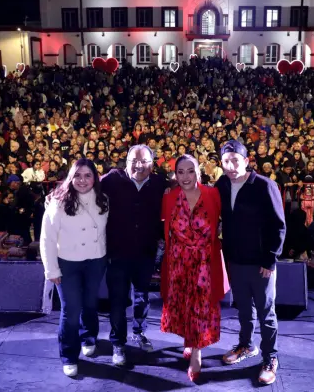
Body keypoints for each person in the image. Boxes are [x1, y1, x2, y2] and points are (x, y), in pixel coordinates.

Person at [215, 140, 286, 385]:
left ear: (246, 161)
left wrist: (270, 259)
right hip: (235, 260)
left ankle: (270, 357)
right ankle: (246, 345)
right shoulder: (222, 184)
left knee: (267, 313)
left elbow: (279, 226)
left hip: (261, 263)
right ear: (221, 163)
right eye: (226, 161)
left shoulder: (264, 185)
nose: (231, 165)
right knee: (244, 310)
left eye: (236, 160)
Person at [160, 154, 229, 381]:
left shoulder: (213, 194)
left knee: (200, 307)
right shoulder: (169, 198)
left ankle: (196, 353)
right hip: (178, 262)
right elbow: (166, 232)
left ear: (198, 172)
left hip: (204, 263)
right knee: (184, 306)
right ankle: (190, 341)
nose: (186, 176)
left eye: (190, 171)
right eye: (181, 172)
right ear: (175, 175)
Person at [40, 159, 109, 377]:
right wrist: (51, 269)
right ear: (71, 177)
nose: (82, 180)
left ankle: (89, 337)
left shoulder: (104, 200)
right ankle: (69, 355)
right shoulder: (58, 202)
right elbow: (46, 238)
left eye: (88, 175)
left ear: (95, 178)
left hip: (96, 261)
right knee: (70, 311)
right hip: (67, 263)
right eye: (78, 175)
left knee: (90, 304)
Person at [100, 144, 167, 366]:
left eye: (144, 161)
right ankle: (118, 343)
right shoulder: (111, 179)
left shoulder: (159, 183)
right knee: (118, 300)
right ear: (126, 161)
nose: (139, 165)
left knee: (142, 297)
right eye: (134, 161)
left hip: (145, 252)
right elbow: (84, 185)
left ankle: (139, 332)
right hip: (117, 253)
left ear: (152, 164)